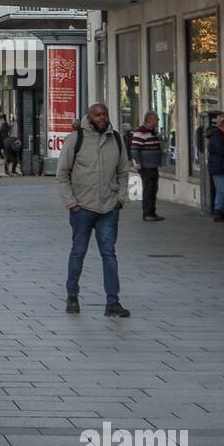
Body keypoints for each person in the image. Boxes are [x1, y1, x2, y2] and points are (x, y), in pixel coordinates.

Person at [57, 102, 129, 316]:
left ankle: (113, 302)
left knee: (109, 254)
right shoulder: (75, 140)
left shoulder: (115, 139)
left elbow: (124, 172)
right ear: (89, 117)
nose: (102, 118)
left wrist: (120, 199)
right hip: (82, 208)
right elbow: (62, 175)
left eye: (105, 114)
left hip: (109, 207)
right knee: (78, 253)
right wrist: (72, 203)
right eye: (98, 115)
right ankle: (72, 296)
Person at [129, 111, 164, 222]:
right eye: (156, 119)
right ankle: (147, 213)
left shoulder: (151, 133)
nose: (158, 121)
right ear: (149, 120)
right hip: (146, 166)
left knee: (153, 189)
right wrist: (137, 163)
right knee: (149, 189)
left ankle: (152, 212)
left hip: (153, 165)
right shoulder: (141, 133)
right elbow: (135, 149)